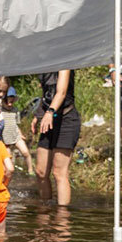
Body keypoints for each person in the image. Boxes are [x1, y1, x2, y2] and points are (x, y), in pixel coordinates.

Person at [31, 70, 80, 207]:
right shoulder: (46, 64)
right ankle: (45, 212)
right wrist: (38, 115)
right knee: (41, 172)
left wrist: (50, 112)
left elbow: (61, 92)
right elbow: (46, 95)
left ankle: (62, 218)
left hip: (66, 120)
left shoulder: (64, 64)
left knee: (59, 172)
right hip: (48, 118)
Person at [0, 86, 34, 174]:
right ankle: (8, 174)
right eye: (7, 102)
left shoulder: (15, 110)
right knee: (8, 158)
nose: (10, 105)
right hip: (4, 138)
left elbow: (15, 124)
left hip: (15, 135)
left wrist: (20, 134)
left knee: (26, 152)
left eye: (12, 102)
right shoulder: (0, 111)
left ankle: (30, 170)